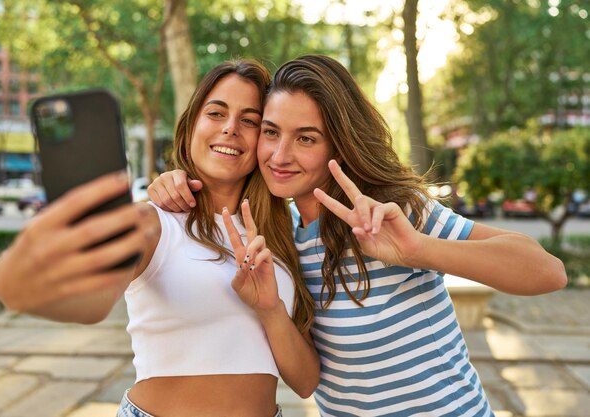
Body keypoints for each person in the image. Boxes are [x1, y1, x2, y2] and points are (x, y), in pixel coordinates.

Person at [148, 54, 568, 416]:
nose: (280, 155)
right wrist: (172, 180)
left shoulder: (391, 211)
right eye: (271, 132)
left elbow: (548, 273)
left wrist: (418, 249)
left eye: (306, 138)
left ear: (340, 146)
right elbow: (307, 377)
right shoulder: (281, 242)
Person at [0, 59, 320, 417]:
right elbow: (92, 301)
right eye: (216, 113)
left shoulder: (283, 233)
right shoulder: (155, 222)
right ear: (192, 125)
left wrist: (271, 310)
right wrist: (17, 282)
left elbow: (305, 383)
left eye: (250, 120)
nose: (230, 129)